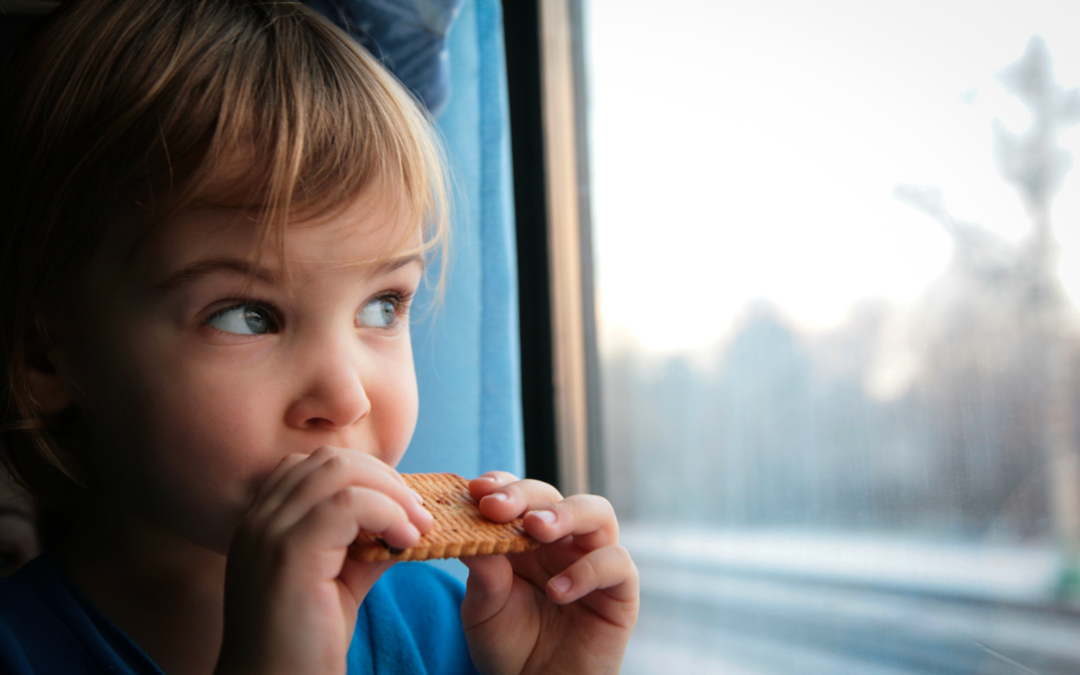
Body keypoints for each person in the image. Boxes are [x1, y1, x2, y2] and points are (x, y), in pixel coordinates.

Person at [0, 1, 639, 673]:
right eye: (247, 315)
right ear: (47, 354)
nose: (346, 395)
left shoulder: (466, 625)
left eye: (383, 306)